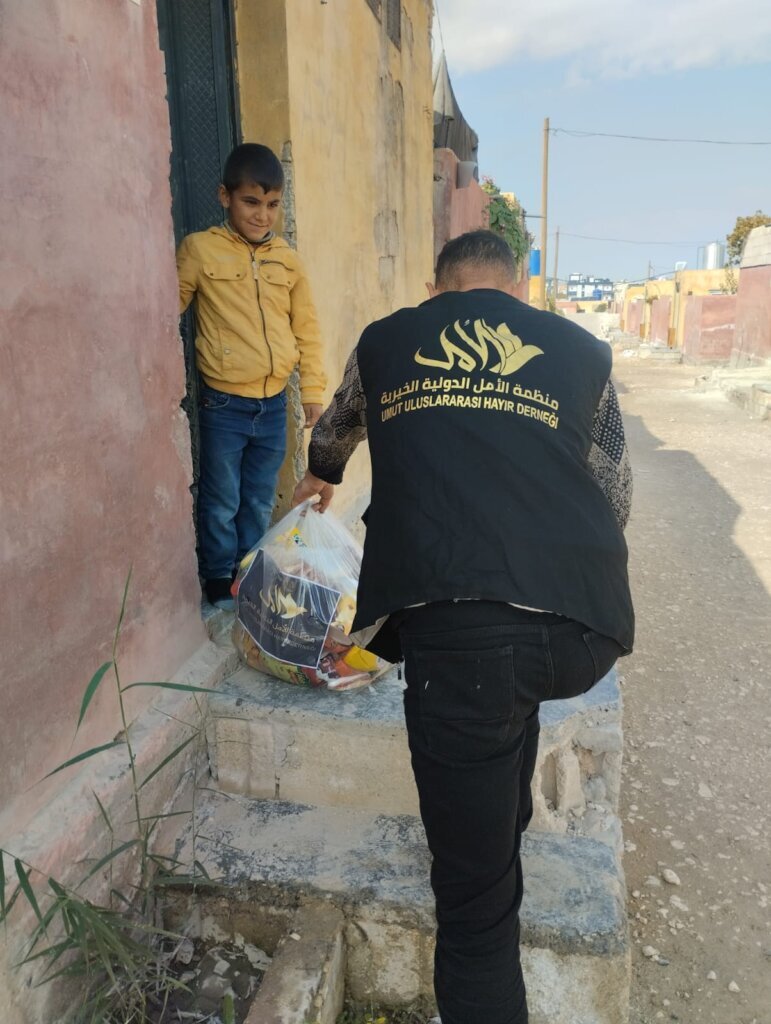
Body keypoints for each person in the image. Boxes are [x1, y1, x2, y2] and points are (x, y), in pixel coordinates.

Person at [292, 230, 634, 1024]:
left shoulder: (389, 340)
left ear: (435, 288)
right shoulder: (580, 350)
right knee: (504, 705)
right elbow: (613, 491)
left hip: (463, 636)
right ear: (515, 291)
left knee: (474, 920)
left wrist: (322, 474)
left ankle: (483, 861)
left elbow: (338, 425)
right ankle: (493, 827)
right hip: (580, 630)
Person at [177, 143, 326, 609]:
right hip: (223, 403)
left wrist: (315, 395)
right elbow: (166, 311)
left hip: (275, 402)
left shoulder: (288, 260)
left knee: (258, 499)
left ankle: (249, 570)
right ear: (225, 197)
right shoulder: (200, 251)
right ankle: (219, 579)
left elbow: (307, 329)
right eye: (251, 202)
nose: (263, 216)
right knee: (222, 498)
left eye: (273, 205)